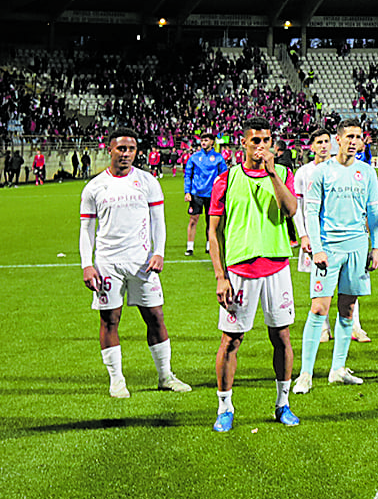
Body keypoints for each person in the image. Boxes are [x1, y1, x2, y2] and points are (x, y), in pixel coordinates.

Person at [206, 116, 302, 432]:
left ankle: (283, 404)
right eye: (255, 141)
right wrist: (220, 276)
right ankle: (224, 408)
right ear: (244, 144)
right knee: (231, 340)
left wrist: (273, 172)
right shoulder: (226, 180)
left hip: (277, 268)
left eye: (266, 141)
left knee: (282, 336)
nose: (262, 147)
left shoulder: (284, 174)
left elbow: (290, 210)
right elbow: (213, 233)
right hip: (240, 272)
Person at [79, 127, 190, 397]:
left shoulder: (148, 181)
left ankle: (165, 376)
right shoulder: (94, 186)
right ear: (110, 150)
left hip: (142, 262)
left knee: (155, 316)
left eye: (131, 149)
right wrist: (87, 263)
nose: (126, 154)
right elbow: (86, 229)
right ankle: (116, 380)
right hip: (108, 263)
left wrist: (159, 252)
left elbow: (158, 221)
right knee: (109, 320)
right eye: (121, 149)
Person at [294, 121, 378, 391]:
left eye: (359, 137)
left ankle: (338, 369)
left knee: (348, 309)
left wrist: (375, 246)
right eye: (349, 136)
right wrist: (317, 248)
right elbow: (310, 212)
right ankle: (305, 374)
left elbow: (374, 213)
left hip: (358, 246)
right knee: (319, 308)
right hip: (329, 248)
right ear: (338, 140)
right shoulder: (321, 172)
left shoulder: (367, 172)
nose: (354, 141)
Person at [183, 137, 229, 257]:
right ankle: (189, 247)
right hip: (196, 194)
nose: (203, 142)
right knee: (193, 220)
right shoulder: (194, 157)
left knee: (211, 222)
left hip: (212, 195)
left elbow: (223, 176)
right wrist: (187, 191)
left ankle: (209, 246)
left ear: (212, 142)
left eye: (206, 140)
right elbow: (188, 174)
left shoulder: (218, 158)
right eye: (202, 140)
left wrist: (222, 192)